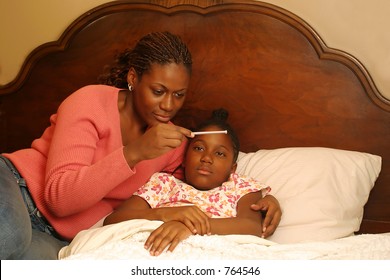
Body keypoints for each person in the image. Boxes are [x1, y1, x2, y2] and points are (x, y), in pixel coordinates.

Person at [0, 31, 280, 260]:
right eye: (158, 92)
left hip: (59, 237)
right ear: (134, 79)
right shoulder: (89, 102)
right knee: (9, 238)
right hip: (17, 187)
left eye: (179, 95)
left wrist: (263, 202)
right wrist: (134, 153)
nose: (169, 106)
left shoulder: (171, 145)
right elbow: (59, 200)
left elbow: (202, 183)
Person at [104, 108, 274, 256]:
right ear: (184, 159)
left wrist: (190, 228)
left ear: (232, 168)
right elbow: (114, 220)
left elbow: (251, 226)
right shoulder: (163, 184)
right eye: (199, 148)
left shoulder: (241, 186)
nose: (206, 158)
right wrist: (163, 214)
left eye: (220, 153)